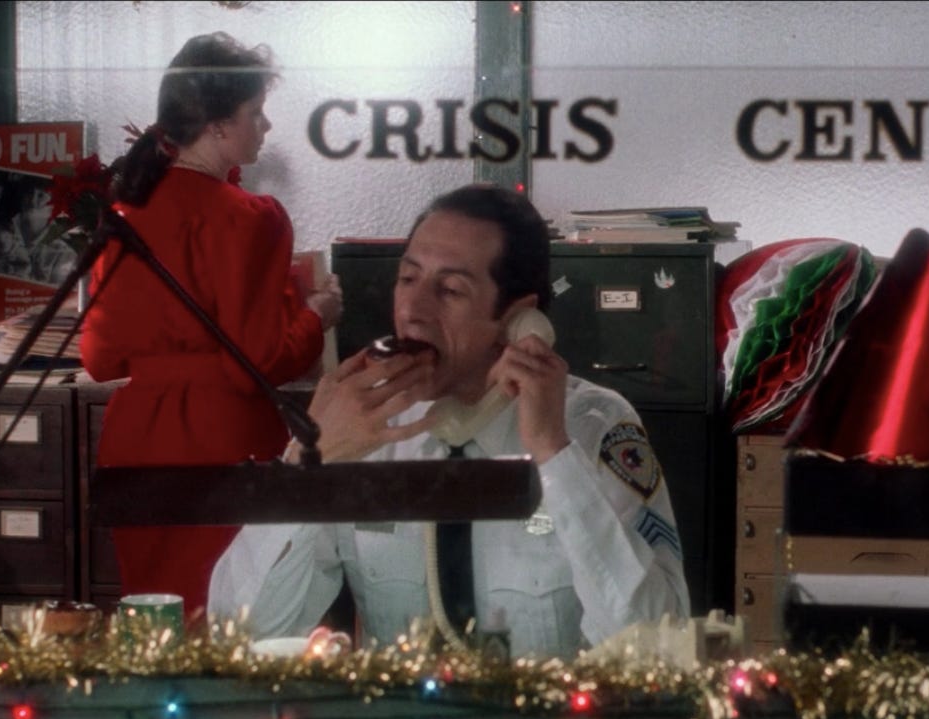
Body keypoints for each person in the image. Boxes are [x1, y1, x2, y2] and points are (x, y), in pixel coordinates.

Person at [208, 184, 689, 658]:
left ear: (518, 318)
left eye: (451, 290)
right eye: (408, 278)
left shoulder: (594, 426)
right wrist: (305, 468)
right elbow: (239, 633)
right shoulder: (364, 429)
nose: (413, 312)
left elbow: (656, 647)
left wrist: (555, 457)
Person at [80, 32, 343, 626]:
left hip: (135, 441)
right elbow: (260, 363)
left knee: (155, 626)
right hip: (221, 437)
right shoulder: (252, 219)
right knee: (230, 619)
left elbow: (99, 359)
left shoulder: (126, 211)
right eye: (256, 113)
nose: (266, 127)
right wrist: (318, 315)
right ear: (220, 126)